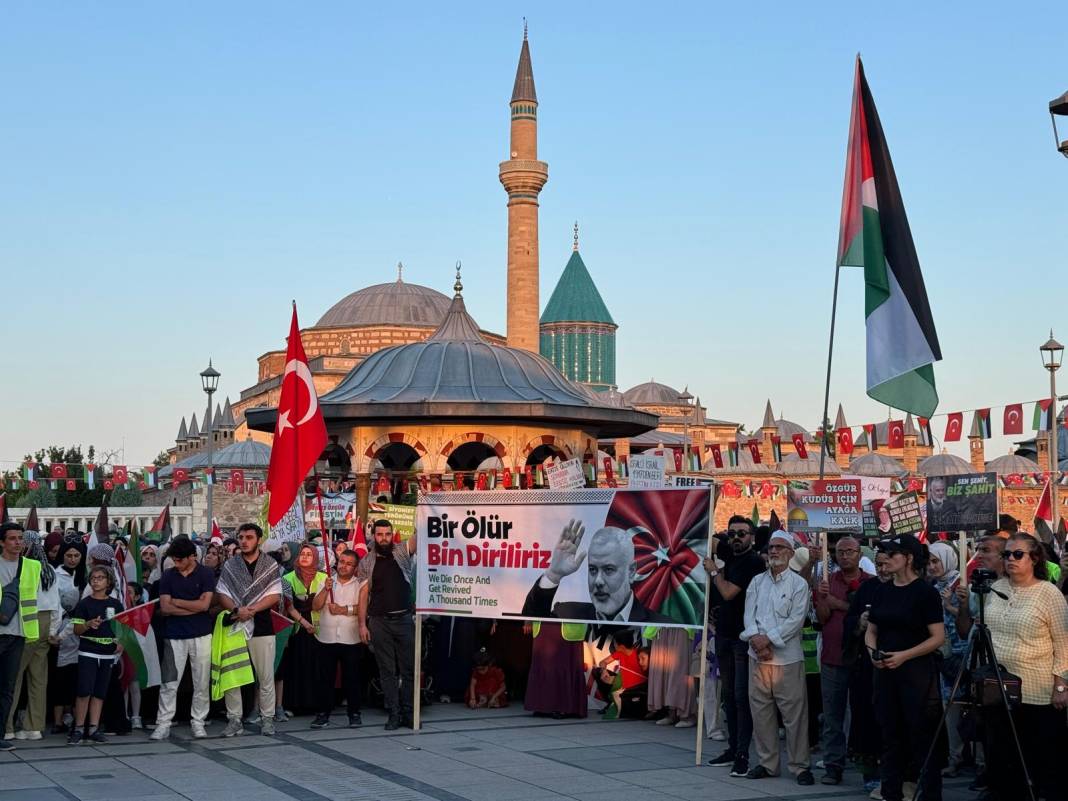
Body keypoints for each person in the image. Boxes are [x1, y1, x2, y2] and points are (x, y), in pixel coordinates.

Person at [966, 533, 1068, 801]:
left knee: (1037, 761)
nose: (1010, 559)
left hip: (1037, 692)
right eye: (1007, 554)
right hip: (998, 689)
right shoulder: (997, 587)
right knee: (1002, 759)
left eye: (1017, 554)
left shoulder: (1049, 593)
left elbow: (1064, 643)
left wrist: (1061, 685)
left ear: (1034, 558)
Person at [865, 535, 945, 801]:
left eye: (893, 553)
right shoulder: (882, 589)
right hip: (885, 673)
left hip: (917, 676)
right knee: (890, 737)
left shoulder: (925, 593)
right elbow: (872, 629)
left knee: (921, 739)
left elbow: (937, 637)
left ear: (908, 558)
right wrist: (873, 653)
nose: (886, 558)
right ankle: (891, 792)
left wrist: (905, 656)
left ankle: (928, 794)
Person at [738, 531, 814, 785]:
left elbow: (795, 621)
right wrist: (757, 642)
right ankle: (767, 763)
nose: (774, 551)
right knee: (761, 714)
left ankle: (800, 765)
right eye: (771, 547)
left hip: (787, 660)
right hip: (757, 657)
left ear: (791, 553)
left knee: (794, 716)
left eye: (780, 547)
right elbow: (749, 616)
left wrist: (767, 639)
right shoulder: (757, 582)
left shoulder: (799, 585)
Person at [705, 516, 766, 777]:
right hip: (725, 635)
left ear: (752, 536)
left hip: (743, 638)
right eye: (732, 534)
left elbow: (729, 591)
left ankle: (742, 753)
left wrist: (715, 572)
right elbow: (711, 538)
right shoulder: (731, 552)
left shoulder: (752, 562)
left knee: (741, 697)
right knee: (728, 695)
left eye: (742, 533)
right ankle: (732, 748)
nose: (736, 537)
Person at [521, 522, 672, 623]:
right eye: (593, 570)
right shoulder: (567, 613)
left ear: (631, 572)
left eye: (609, 570)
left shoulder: (661, 623)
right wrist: (553, 574)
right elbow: (530, 618)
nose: (598, 581)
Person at [813, 535, 872, 786]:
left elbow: (868, 615)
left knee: (865, 714)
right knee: (832, 716)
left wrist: (839, 603)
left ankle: (868, 765)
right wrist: (824, 599)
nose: (845, 556)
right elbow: (823, 618)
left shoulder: (871, 583)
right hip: (832, 657)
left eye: (850, 551)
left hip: (862, 660)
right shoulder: (828, 582)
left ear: (860, 554)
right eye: (840, 552)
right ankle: (833, 765)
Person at [215, 523, 283, 737]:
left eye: (249, 537)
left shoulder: (270, 564)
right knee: (232, 675)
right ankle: (234, 719)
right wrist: (237, 610)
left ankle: (268, 718)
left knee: (265, 676)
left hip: (262, 626)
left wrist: (250, 610)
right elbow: (222, 593)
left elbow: (274, 595)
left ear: (259, 539)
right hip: (235, 624)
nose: (244, 541)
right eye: (241, 537)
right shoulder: (230, 565)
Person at [150, 536, 216, 740]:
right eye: (174, 560)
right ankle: (163, 723)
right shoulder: (168, 575)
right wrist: (193, 607)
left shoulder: (205, 574)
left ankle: (198, 721)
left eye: (180, 560)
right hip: (174, 635)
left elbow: (205, 605)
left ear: (191, 557)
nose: (176, 564)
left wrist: (178, 602)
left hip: (202, 635)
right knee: (169, 682)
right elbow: (166, 608)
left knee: (201, 681)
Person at [357, 519, 417, 730]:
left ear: (393, 535)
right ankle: (394, 713)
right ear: (374, 536)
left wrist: (429, 506)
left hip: (404, 620)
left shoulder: (401, 552)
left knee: (409, 669)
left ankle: (409, 712)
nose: (384, 538)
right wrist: (362, 625)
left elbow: (418, 538)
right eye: (380, 534)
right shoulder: (366, 562)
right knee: (387, 671)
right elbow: (363, 594)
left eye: (388, 534)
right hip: (379, 621)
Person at [843, 550, 891, 795]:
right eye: (879, 564)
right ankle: (869, 770)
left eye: (887, 563)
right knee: (865, 718)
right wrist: (859, 624)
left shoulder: (912, 588)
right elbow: (849, 621)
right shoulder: (867, 589)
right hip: (866, 666)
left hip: (898, 665)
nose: (883, 569)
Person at [4, 531, 59, 742]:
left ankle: (7, 726)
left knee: (13, 677)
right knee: (38, 678)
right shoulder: (49, 570)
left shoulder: (24, 568)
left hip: (25, 622)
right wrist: (53, 629)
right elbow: (56, 603)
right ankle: (34, 727)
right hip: (45, 624)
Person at [0, 523, 45, 752]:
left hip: (19, 634)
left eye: (20, 538)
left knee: (7, 687)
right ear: (2, 542)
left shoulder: (33, 566)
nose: (18, 542)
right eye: (12, 539)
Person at [68, 565, 124, 745]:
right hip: (88, 652)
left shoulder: (116, 604)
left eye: (100, 578)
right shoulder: (84, 604)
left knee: (100, 692)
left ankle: (93, 728)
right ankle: (78, 728)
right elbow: (76, 629)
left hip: (107, 654)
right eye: (93, 578)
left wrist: (120, 642)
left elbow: (122, 628)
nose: (96, 581)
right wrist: (88, 624)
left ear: (108, 582)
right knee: (84, 690)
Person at [926, 540, 968, 778]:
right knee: (949, 708)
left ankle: (978, 760)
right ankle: (955, 756)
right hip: (943, 654)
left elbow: (971, 618)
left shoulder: (962, 584)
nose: (932, 567)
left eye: (936, 561)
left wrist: (950, 606)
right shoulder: (934, 587)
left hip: (965, 653)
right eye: (929, 562)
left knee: (968, 706)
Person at [312, 548, 364, 729]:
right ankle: (322, 714)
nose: (344, 566)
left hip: (351, 639)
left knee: (352, 679)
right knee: (325, 679)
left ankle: (354, 713)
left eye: (349, 564)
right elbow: (316, 606)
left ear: (355, 567)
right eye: (342, 562)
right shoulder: (326, 581)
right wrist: (325, 590)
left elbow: (363, 609)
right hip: (326, 638)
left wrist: (343, 610)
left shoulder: (360, 585)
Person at [281, 543, 327, 715]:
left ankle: (316, 703)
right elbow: (288, 606)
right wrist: (302, 622)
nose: (306, 557)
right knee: (297, 665)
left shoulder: (324, 577)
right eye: (303, 554)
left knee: (317, 666)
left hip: (319, 628)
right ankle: (294, 704)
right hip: (297, 629)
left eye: (309, 554)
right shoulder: (288, 578)